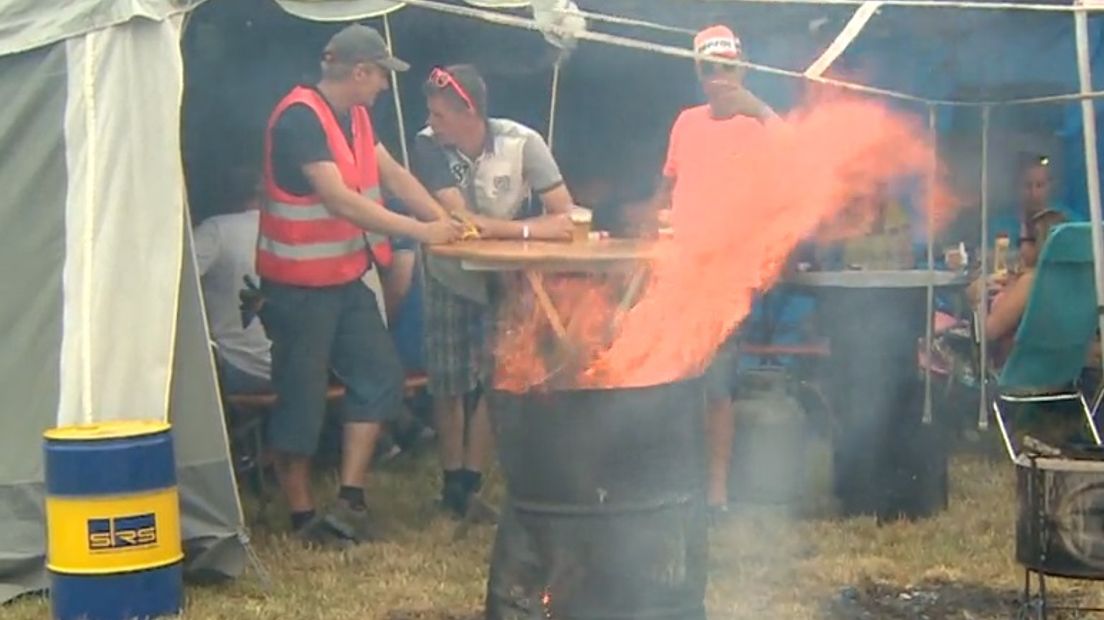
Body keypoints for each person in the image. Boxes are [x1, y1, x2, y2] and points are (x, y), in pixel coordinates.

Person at [258, 24, 460, 549]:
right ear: (359, 71)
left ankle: (350, 500)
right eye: (380, 77)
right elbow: (340, 200)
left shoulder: (359, 120)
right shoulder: (300, 118)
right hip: (296, 289)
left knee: (380, 376)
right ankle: (302, 517)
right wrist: (423, 232)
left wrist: (451, 223)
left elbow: (394, 177)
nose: (384, 88)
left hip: (345, 281)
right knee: (300, 400)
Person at [411, 64, 574, 519]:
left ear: (470, 111)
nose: (432, 122)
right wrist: (530, 230)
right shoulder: (427, 145)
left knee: (496, 374)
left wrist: (508, 231)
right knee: (448, 380)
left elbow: (565, 213)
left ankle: (473, 478)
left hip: (508, 274)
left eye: (441, 114)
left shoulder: (524, 142)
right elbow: (461, 220)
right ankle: (451, 482)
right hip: (449, 272)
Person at [648, 24, 780, 521]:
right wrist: (652, 222)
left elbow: (805, 164)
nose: (719, 78)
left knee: (717, 383)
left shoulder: (760, 124)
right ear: (699, 73)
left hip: (730, 274)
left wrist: (761, 110)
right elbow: (669, 186)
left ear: (742, 68)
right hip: (681, 266)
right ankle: (676, 483)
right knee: (673, 376)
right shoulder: (686, 122)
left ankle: (716, 494)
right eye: (710, 69)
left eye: (727, 67)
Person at [195, 165, 273, 395]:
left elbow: (172, 289)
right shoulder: (301, 230)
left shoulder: (215, 230)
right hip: (308, 372)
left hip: (243, 368)